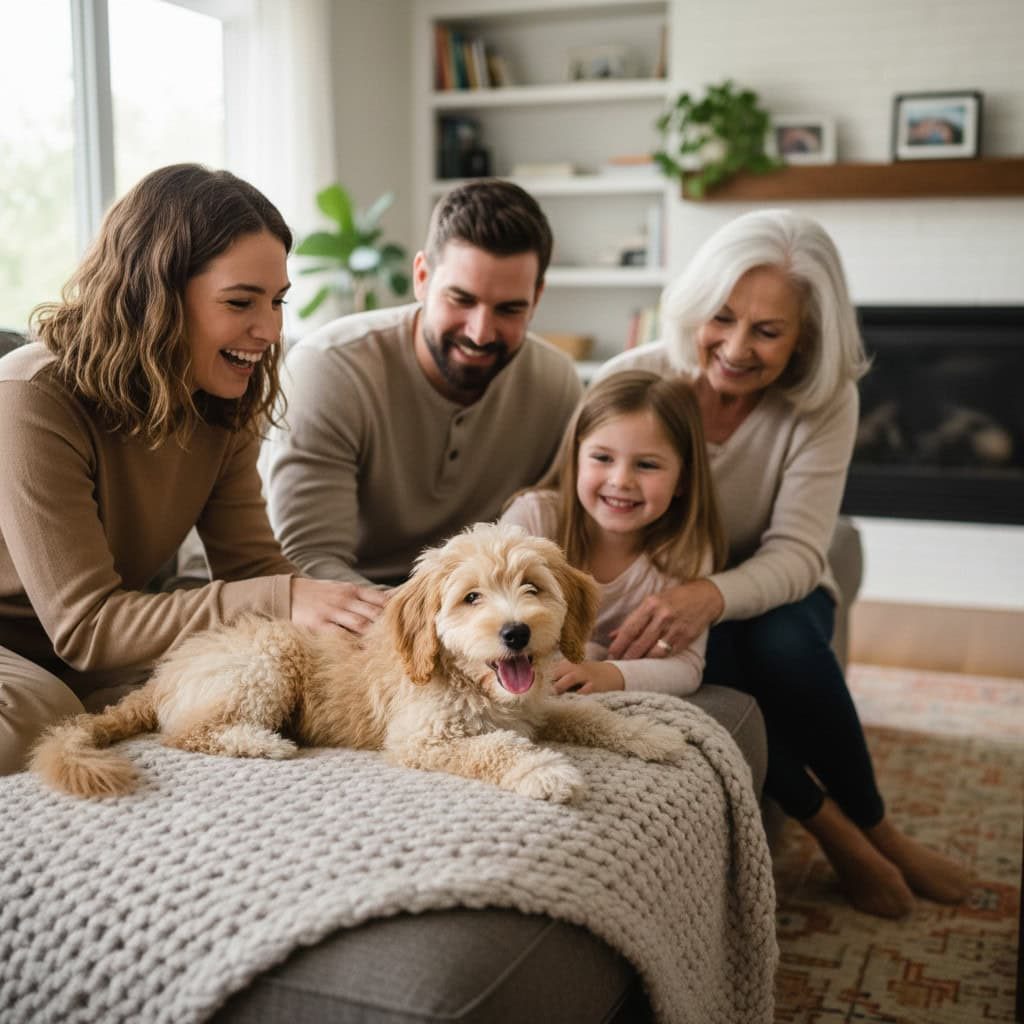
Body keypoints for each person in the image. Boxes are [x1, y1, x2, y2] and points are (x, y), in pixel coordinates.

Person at [595, 209, 968, 918]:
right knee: (720, 660)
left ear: (806, 339)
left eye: (768, 331)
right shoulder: (636, 380)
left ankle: (880, 826)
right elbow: (584, 505)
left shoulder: (826, 402)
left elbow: (799, 553)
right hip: (665, 588)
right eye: (723, 318)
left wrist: (709, 593)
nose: (736, 348)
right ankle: (838, 835)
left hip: (776, 587)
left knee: (783, 640)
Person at [0, 163, 376, 775]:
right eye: (240, 302)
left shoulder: (223, 399)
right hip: (29, 642)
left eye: (277, 301)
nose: (271, 329)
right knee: (36, 714)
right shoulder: (31, 393)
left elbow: (253, 568)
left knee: (239, 683)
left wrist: (358, 629)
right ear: (156, 295)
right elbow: (89, 627)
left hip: (96, 649)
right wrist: (284, 596)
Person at [261, 179, 583, 631]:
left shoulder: (557, 385)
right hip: (356, 607)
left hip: (481, 616)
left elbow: (559, 538)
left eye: (509, 309)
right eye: (461, 299)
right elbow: (309, 560)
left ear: (537, 299)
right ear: (422, 277)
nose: (480, 332)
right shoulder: (331, 369)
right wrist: (438, 629)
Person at [500, 370, 726, 698]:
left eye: (647, 465)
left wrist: (607, 673)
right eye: (602, 458)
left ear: (683, 480)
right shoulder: (535, 515)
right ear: (575, 459)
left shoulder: (686, 550)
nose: (621, 480)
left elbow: (686, 666)